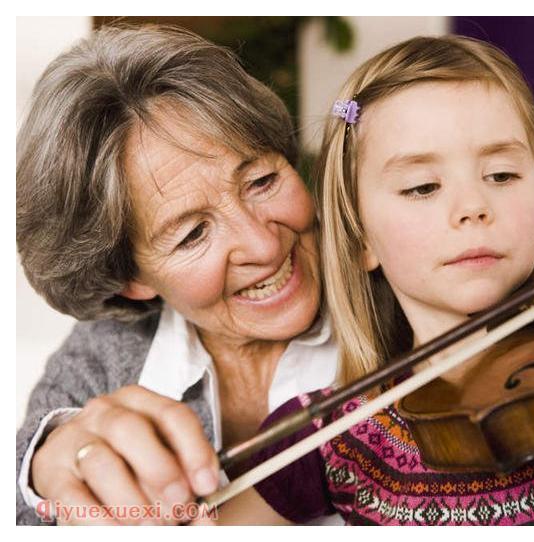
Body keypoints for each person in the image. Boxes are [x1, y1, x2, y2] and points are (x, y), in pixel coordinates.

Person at [212, 35, 534, 526]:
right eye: (422, 187)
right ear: (360, 238)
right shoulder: (327, 435)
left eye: (501, 175)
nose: (473, 207)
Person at [16, 24, 340, 525]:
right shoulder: (99, 360)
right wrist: (47, 469)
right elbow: (25, 485)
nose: (263, 243)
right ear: (131, 278)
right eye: (192, 235)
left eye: (261, 180)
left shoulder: (407, 295)